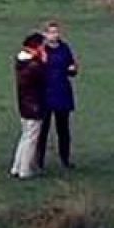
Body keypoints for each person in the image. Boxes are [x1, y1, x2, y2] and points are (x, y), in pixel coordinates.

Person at [39, 20, 81, 169]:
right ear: (45, 34)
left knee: (63, 129)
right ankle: (39, 161)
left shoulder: (65, 49)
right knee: (42, 130)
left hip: (62, 93)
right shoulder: (41, 51)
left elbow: (72, 68)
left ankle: (65, 159)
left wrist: (72, 69)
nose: (54, 35)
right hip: (45, 95)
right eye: (51, 32)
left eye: (56, 32)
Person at [14, 33, 51, 180]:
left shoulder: (21, 61)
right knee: (31, 139)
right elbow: (42, 78)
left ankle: (17, 166)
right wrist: (43, 61)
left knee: (25, 136)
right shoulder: (34, 65)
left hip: (25, 105)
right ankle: (25, 170)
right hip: (34, 105)